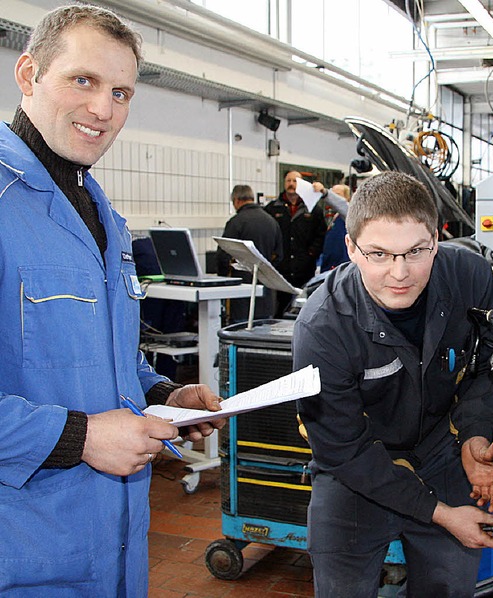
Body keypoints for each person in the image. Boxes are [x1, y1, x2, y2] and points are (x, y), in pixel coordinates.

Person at [0, 5, 224, 596]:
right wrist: (82, 438)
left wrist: (163, 395)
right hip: (22, 550)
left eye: (121, 92)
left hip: (115, 548)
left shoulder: (104, 216)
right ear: (28, 75)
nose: (103, 109)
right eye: (84, 80)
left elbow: (98, 358)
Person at [293, 171, 493, 598]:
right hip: (355, 470)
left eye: (415, 251)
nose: (400, 272)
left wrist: (474, 434)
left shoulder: (470, 276)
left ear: (436, 236)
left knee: (448, 585)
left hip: (441, 454)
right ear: (351, 249)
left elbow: (492, 362)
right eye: (379, 254)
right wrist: (442, 513)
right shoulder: (322, 328)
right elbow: (340, 447)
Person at [215, 184, 283, 322]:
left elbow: (223, 257)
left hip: (242, 294)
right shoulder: (272, 222)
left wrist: (223, 279)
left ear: (236, 200)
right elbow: (279, 256)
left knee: (240, 334)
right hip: (266, 293)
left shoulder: (236, 222)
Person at [265, 170, 326, 317]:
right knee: (280, 307)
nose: (291, 184)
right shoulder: (273, 208)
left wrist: (311, 253)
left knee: (304, 308)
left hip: (304, 268)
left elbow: (321, 234)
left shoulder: (313, 209)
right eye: (288, 181)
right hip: (281, 268)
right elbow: (268, 234)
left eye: (295, 181)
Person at [318, 183, 351, 272]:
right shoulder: (333, 217)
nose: (333, 197)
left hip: (341, 267)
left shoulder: (348, 215)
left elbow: (342, 205)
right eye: (332, 193)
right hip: (329, 266)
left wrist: (325, 193)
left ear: (347, 198)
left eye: (337, 194)